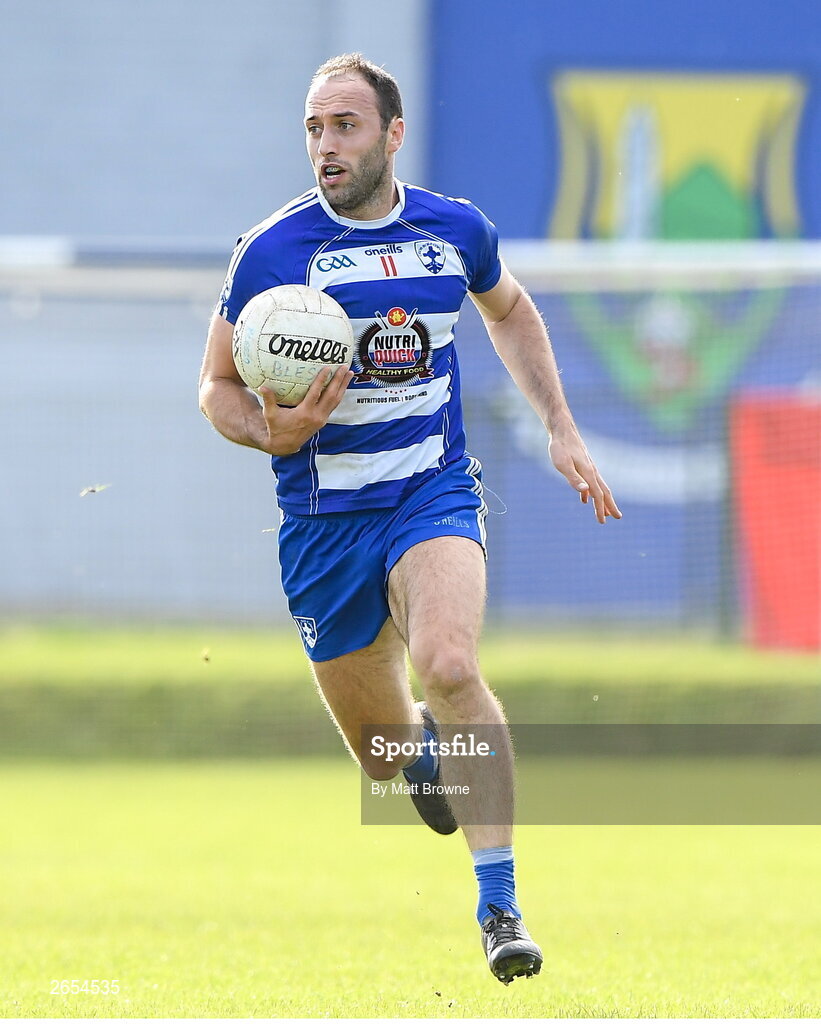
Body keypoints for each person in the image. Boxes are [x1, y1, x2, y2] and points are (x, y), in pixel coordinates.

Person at [199, 52, 621, 985]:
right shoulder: (269, 252)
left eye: (344, 125)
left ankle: (498, 902)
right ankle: (422, 756)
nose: (325, 146)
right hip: (322, 523)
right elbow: (216, 389)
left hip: (429, 492)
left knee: (449, 663)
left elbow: (509, 312)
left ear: (392, 134)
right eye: (313, 128)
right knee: (384, 758)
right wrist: (273, 433)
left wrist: (562, 428)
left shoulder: (453, 232)